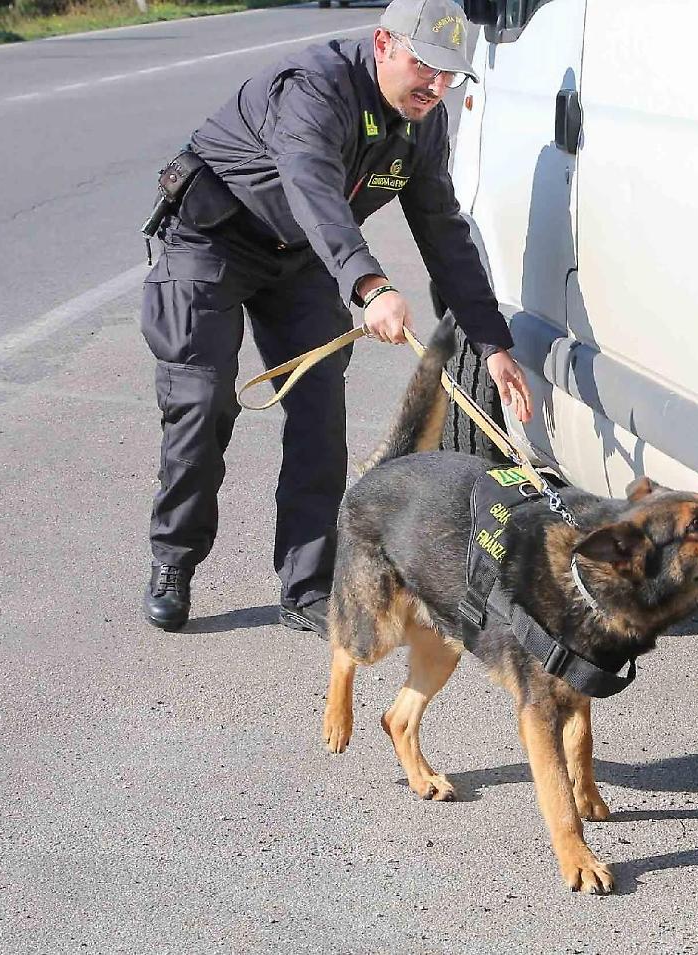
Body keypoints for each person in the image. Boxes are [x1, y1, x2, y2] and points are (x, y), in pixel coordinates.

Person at [141, 0, 533, 634]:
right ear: (383, 44)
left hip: (299, 258)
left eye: (451, 74)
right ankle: (175, 559)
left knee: (321, 412)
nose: (436, 86)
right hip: (212, 240)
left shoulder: (420, 120)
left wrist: (490, 341)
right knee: (203, 401)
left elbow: (441, 230)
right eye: (424, 65)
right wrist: (370, 285)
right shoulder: (313, 89)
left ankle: (307, 585)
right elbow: (313, 189)